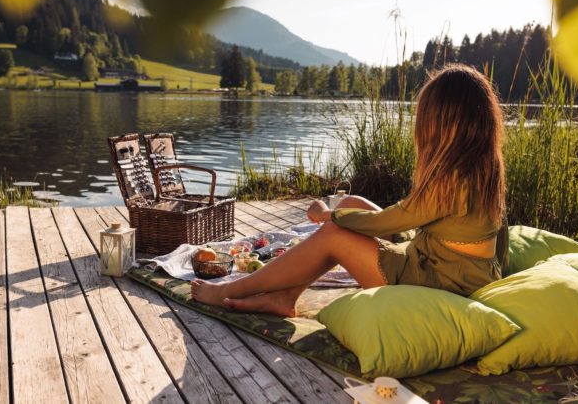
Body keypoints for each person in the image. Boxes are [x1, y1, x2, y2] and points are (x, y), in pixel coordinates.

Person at [192, 64, 508, 317]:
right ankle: (285, 296)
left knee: (333, 233)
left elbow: (391, 221)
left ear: (441, 122)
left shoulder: (453, 177)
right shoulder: (482, 166)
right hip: (450, 268)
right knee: (354, 202)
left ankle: (230, 291)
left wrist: (332, 214)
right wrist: (347, 211)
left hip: (438, 284)